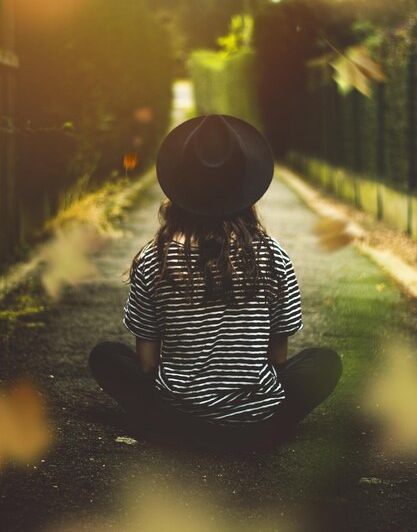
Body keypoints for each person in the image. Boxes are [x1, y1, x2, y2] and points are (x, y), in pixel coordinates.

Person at [89, 114, 342, 452]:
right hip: (258, 429)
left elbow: (148, 364)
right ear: (246, 187)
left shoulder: (155, 257)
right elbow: (278, 359)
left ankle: (174, 425)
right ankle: (250, 419)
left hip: (176, 422)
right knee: (323, 361)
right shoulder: (273, 255)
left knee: (106, 356)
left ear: (178, 187)